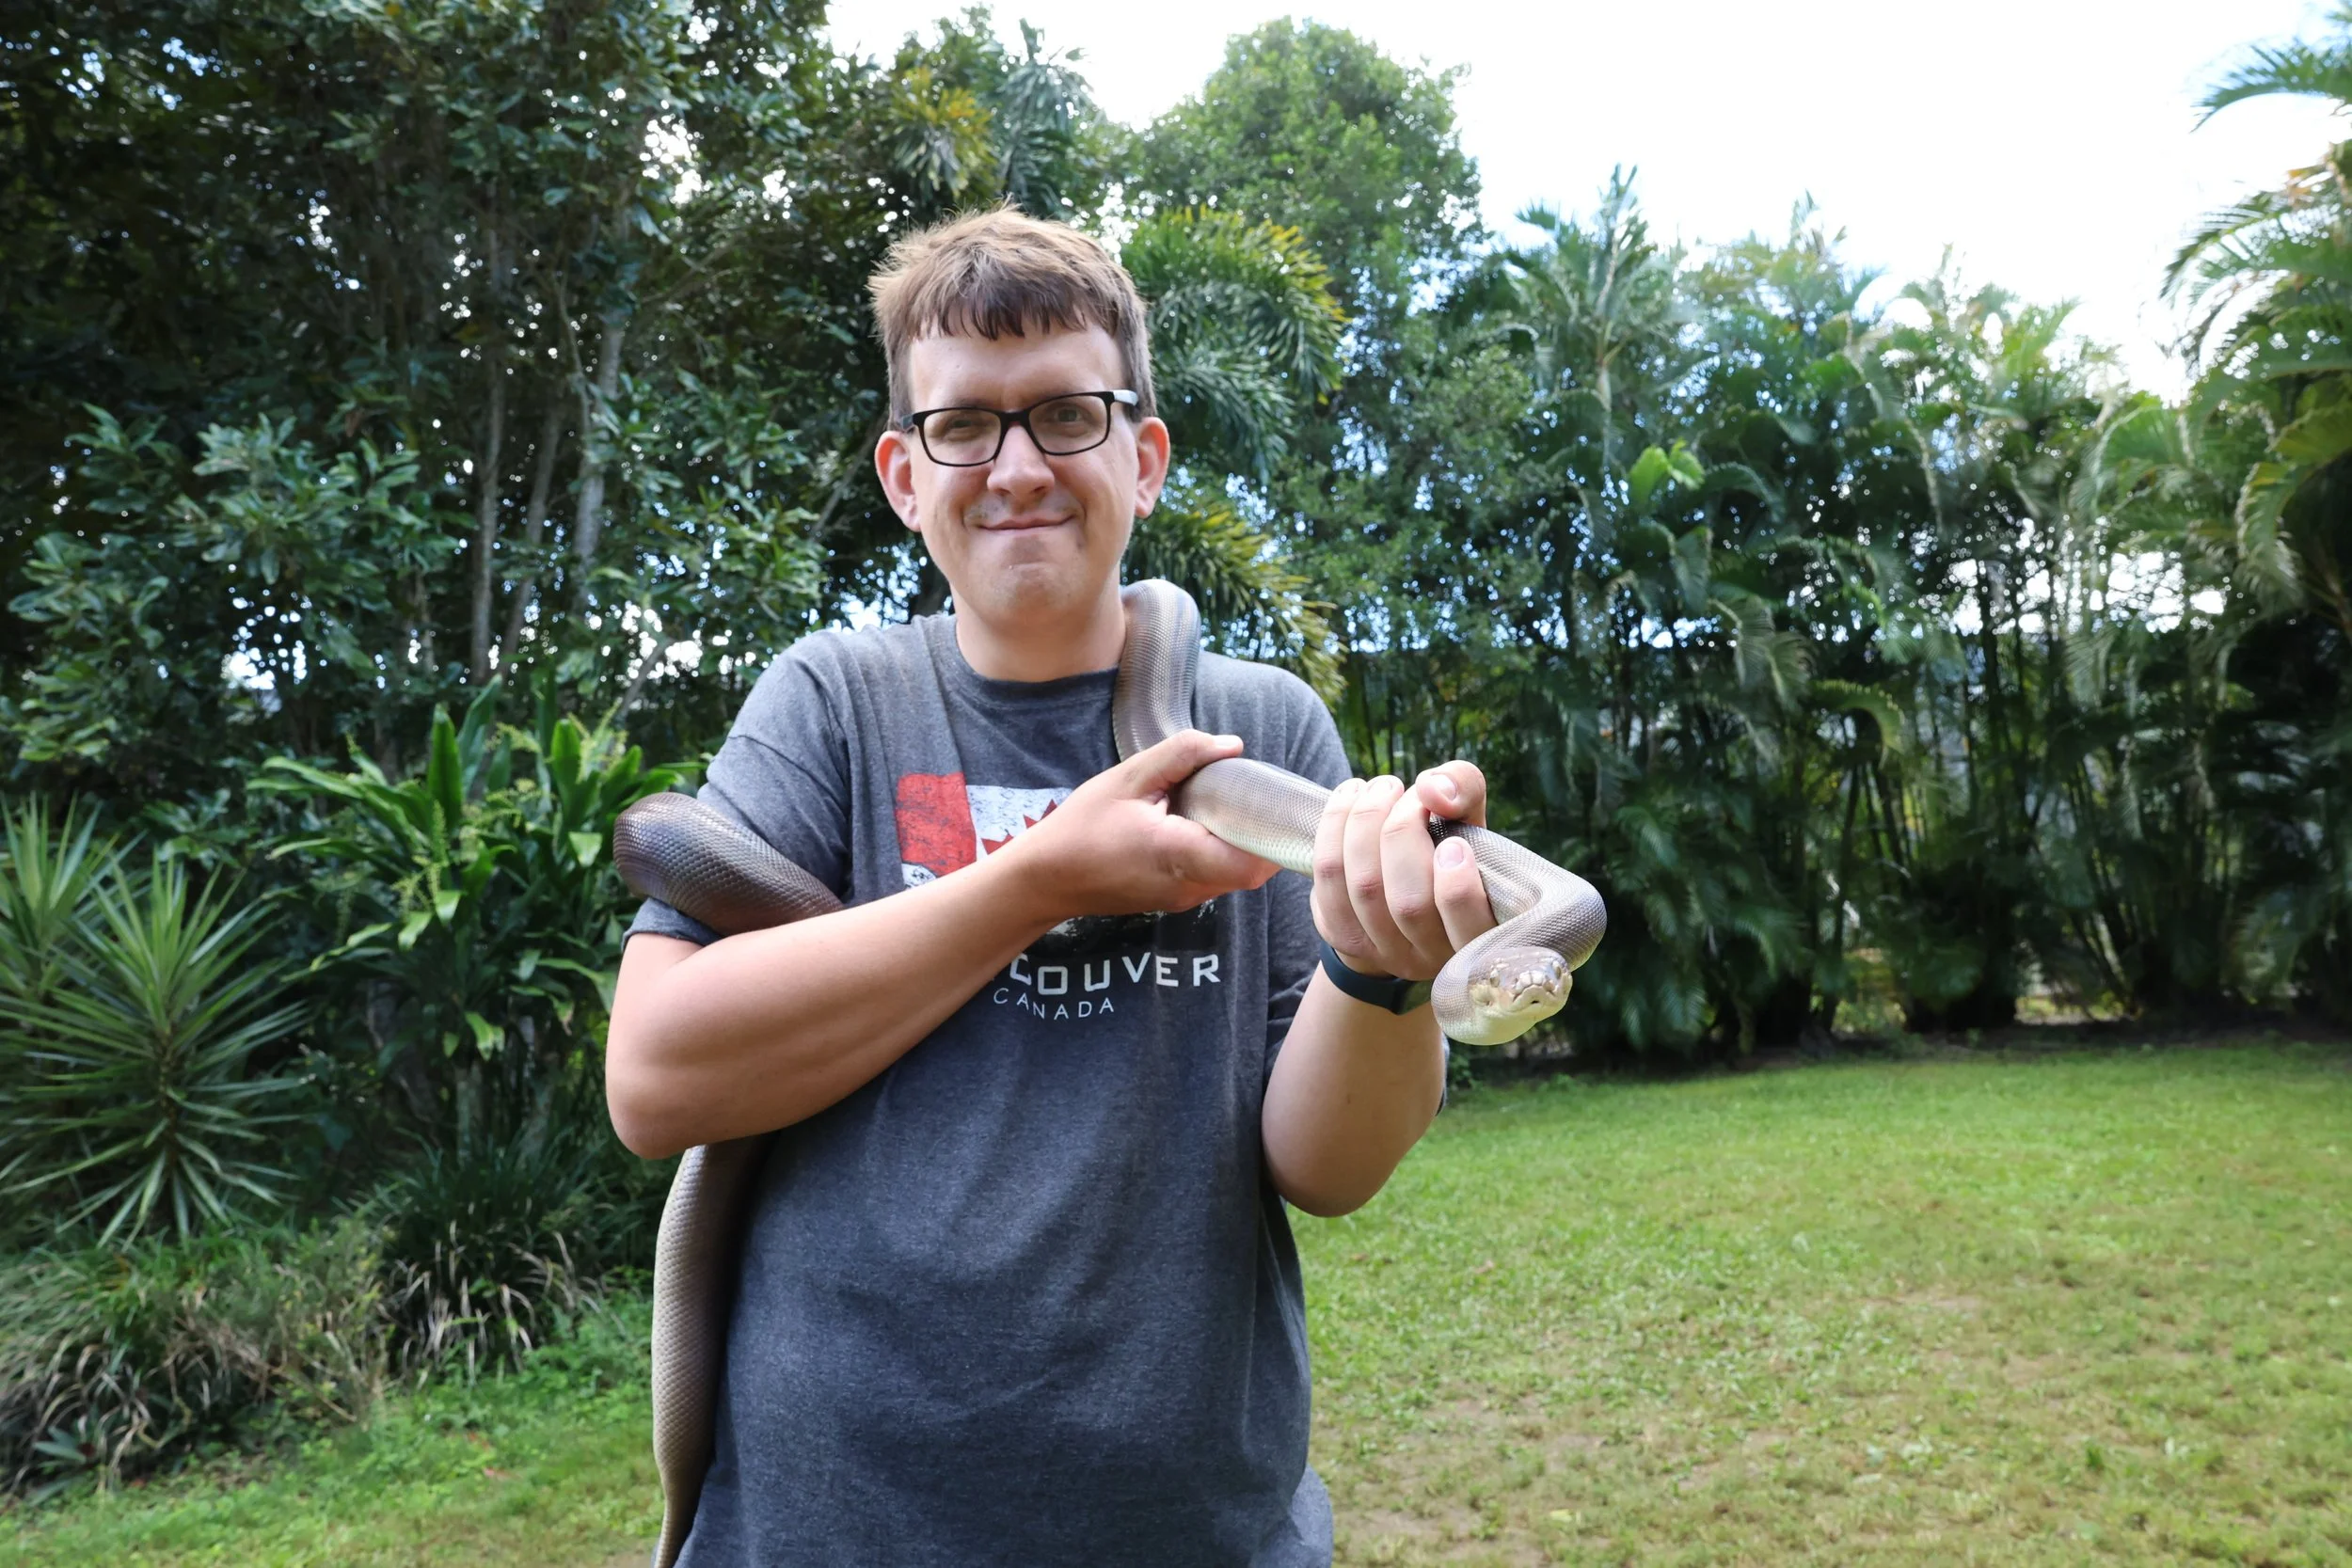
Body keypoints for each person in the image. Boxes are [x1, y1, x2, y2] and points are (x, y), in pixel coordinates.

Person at [605, 207, 1497, 1567]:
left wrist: (1381, 968)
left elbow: (1325, 1168)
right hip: (825, 1534)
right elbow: (656, 1079)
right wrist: (1033, 884)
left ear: (1142, 459)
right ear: (908, 476)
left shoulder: (1260, 736)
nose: (1017, 464)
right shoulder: (834, 707)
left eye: (1066, 415)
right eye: (967, 425)